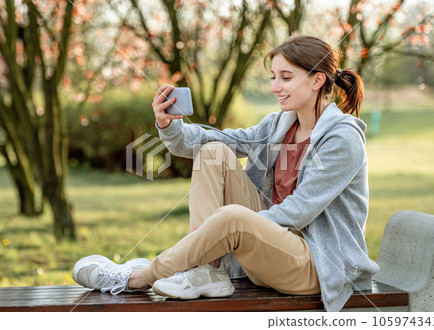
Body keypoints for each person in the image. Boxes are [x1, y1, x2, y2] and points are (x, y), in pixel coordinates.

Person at [72, 35, 379, 312]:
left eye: (286, 77)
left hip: (314, 265)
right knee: (213, 152)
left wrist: (228, 230)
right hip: (267, 251)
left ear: (317, 81)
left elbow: (298, 212)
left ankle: (138, 277)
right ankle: (207, 270)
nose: (275, 87)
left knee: (232, 218)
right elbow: (219, 141)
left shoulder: (342, 138)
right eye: (274, 77)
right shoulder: (278, 125)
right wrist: (169, 125)